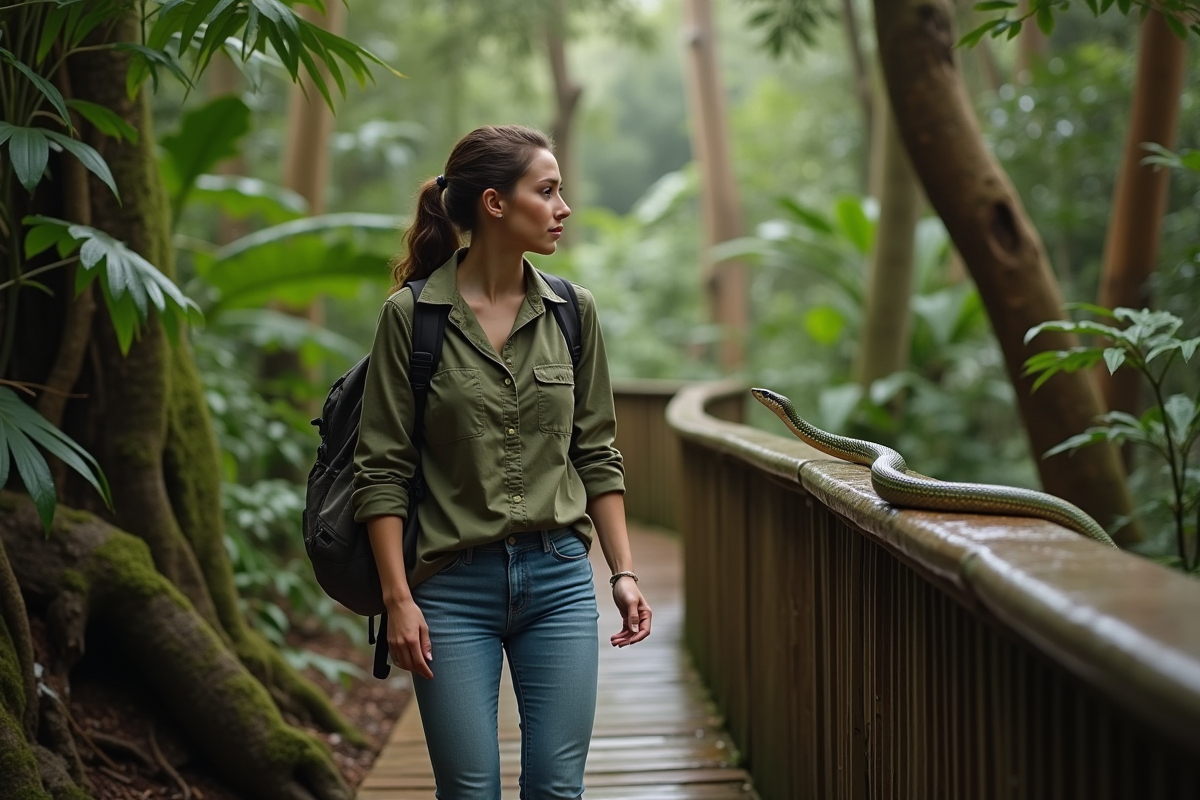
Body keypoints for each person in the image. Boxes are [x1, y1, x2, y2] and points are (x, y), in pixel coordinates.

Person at [350, 124, 652, 800]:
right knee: (470, 791)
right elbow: (382, 469)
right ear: (494, 203)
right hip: (451, 588)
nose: (563, 208)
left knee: (555, 788)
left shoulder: (573, 312)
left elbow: (597, 451)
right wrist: (398, 600)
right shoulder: (412, 317)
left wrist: (624, 573)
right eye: (547, 192)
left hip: (560, 584)